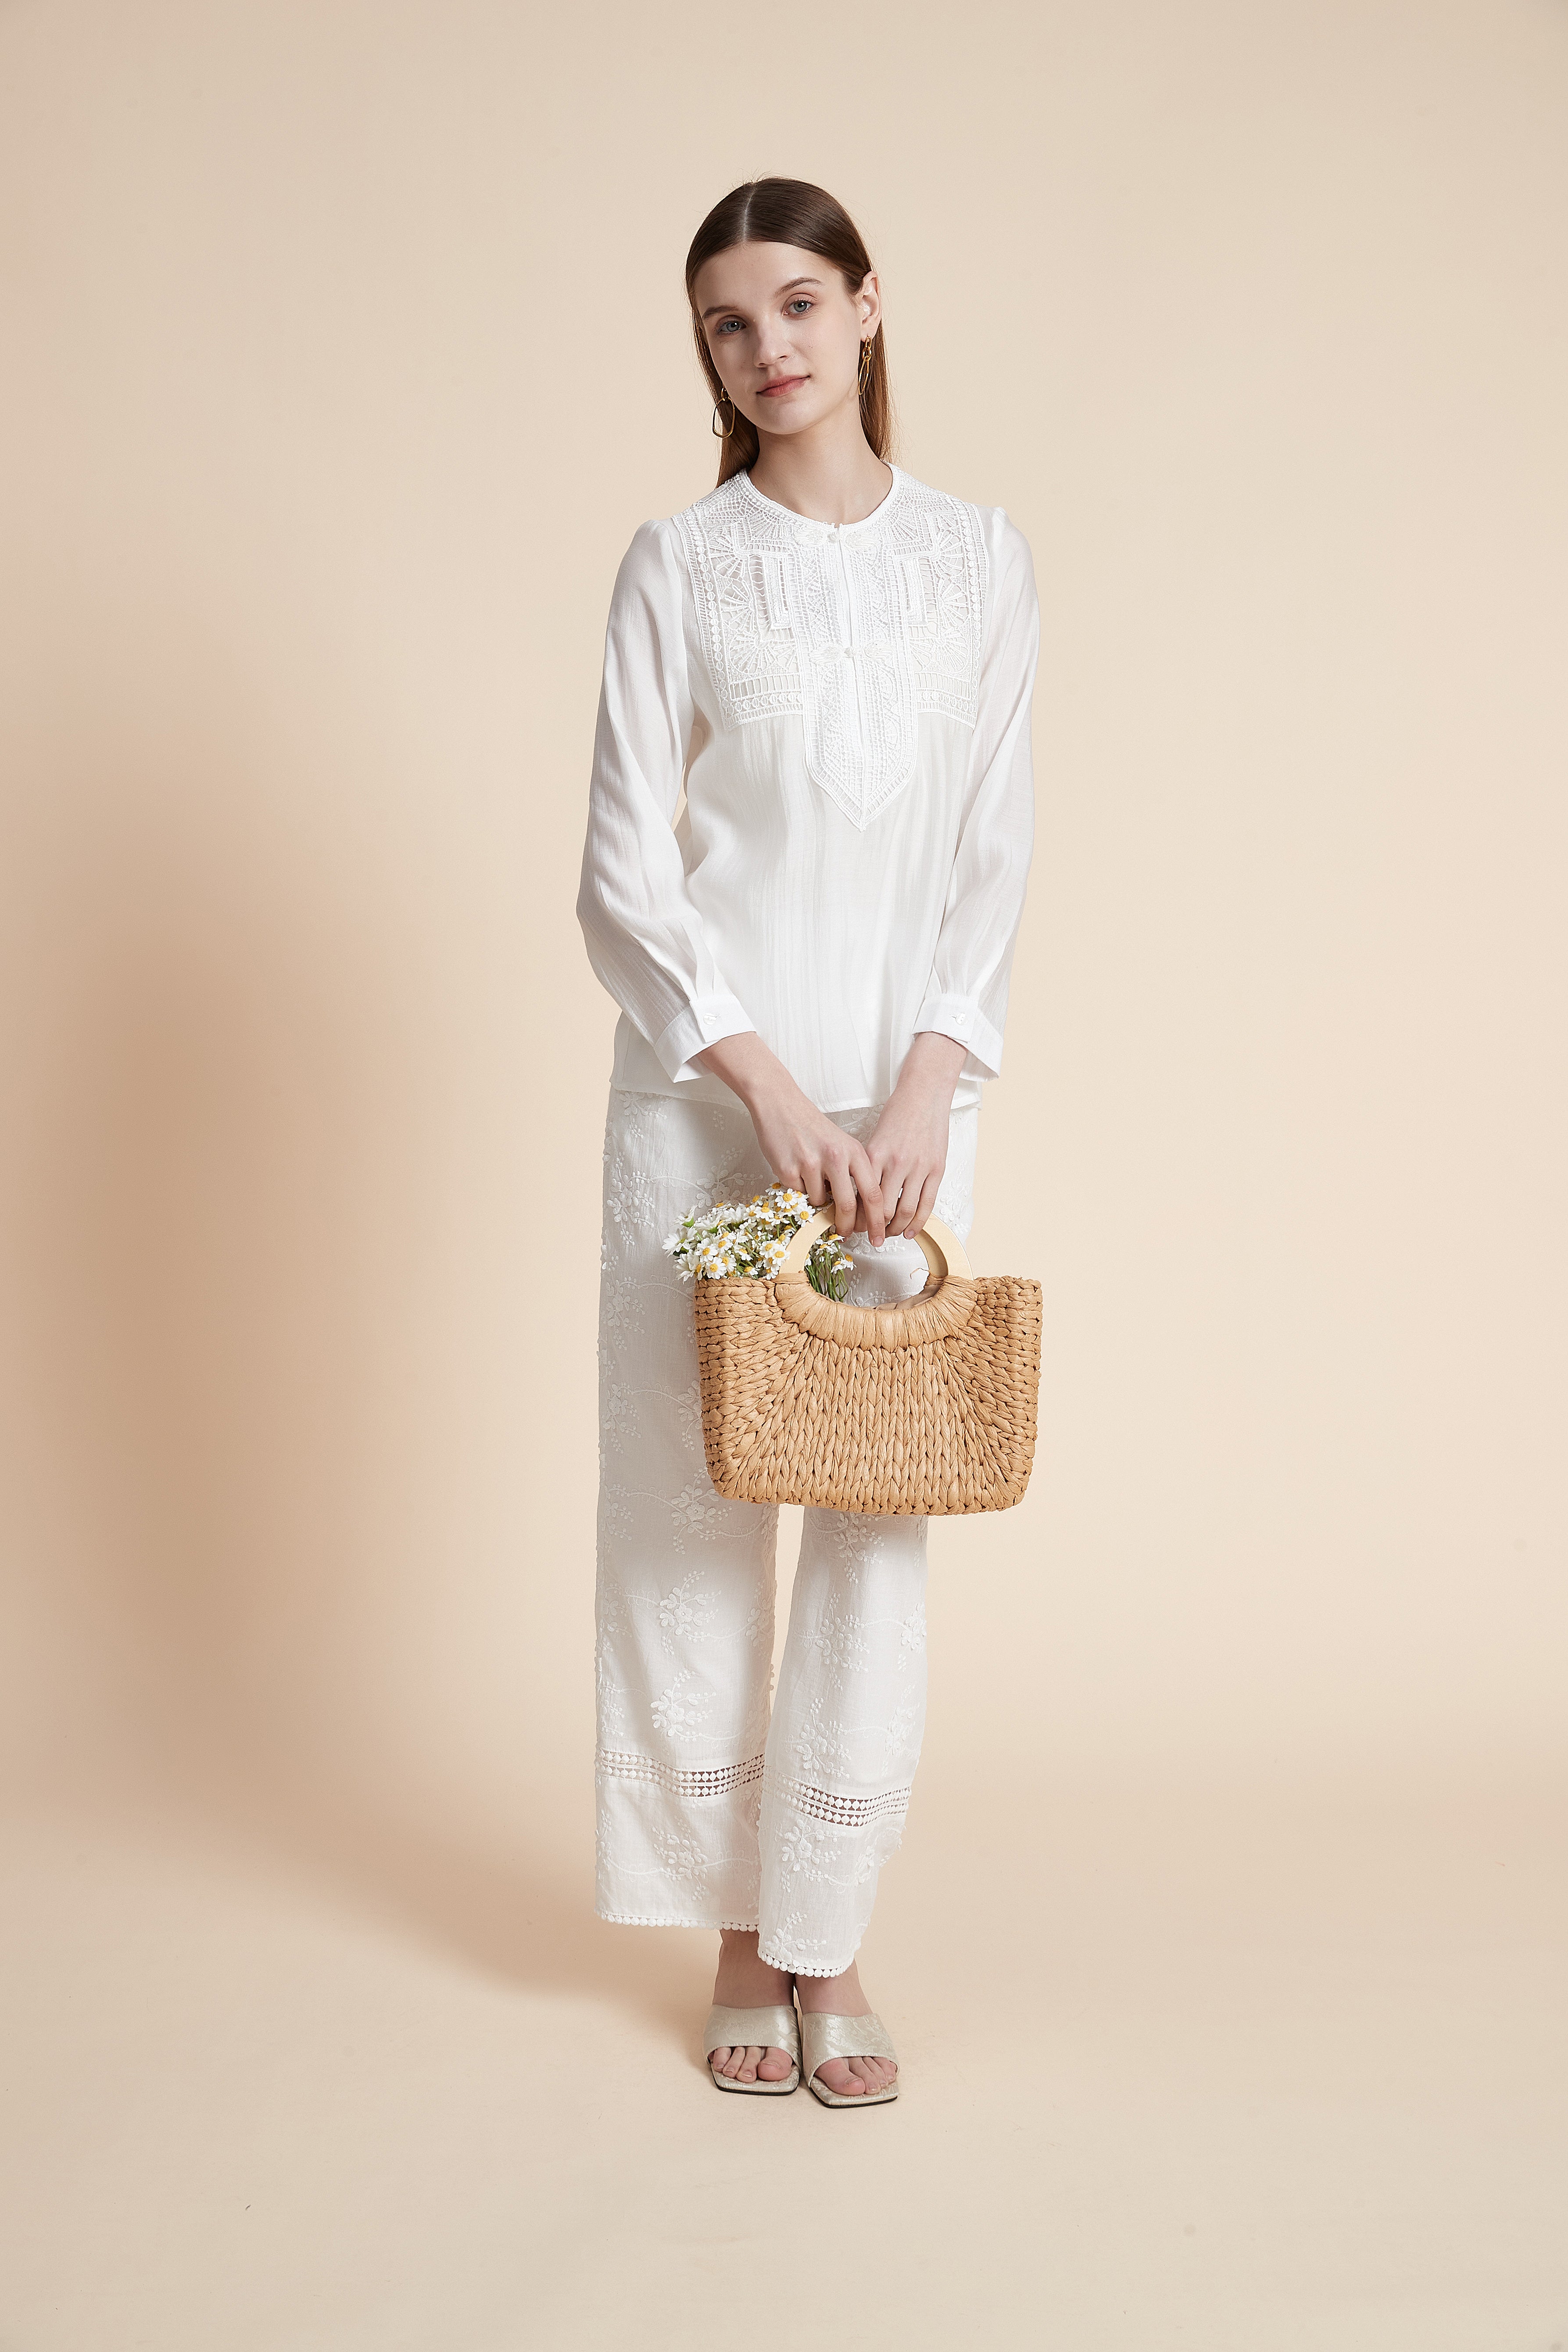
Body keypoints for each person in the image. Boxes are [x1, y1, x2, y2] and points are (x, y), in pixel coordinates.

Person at [576, 176, 1038, 2105]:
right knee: (692, 1512)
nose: (766, 347)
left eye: (793, 303)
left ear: (865, 306)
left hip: (904, 1119)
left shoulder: (981, 559)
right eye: (726, 323)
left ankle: (828, 1935)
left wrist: (926, 1085)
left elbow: (994, 847)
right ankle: (732, 1935)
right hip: (710, 1102)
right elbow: (622, 869)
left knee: (870, 1514)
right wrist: (764, 1089)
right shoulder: (678, 565)